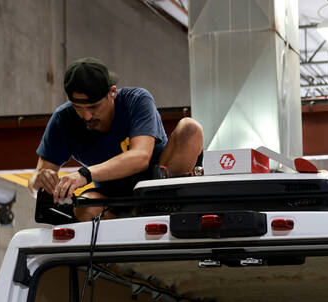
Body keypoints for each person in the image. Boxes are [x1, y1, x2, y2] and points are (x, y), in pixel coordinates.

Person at [29, 58, 204, 221]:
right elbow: (34, 185)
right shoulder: (63, 120)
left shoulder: (136, 101)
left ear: (112, 92)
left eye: (93, 107)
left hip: (157, 186)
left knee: (190, 129)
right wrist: (40, 180)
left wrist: (85, 175)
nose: (87, 116)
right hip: (111, 200)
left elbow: (140, 157)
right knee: (85, 208)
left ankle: (163, 206)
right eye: (78, 108)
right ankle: (123, 234)